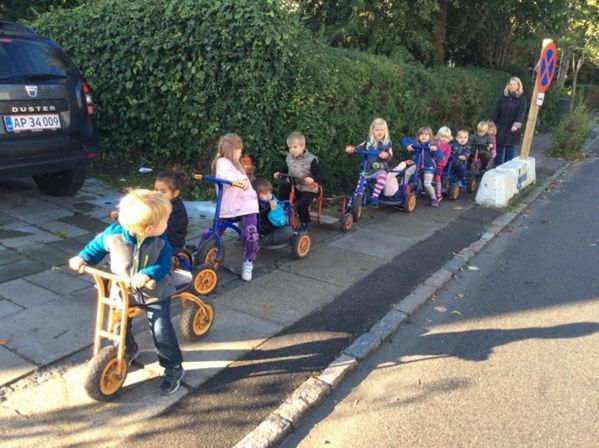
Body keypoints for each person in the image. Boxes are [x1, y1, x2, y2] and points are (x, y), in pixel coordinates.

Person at [69, 189, 185, 395]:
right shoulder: (113, 234)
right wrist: (82, 258)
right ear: (149, 228)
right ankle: (128, 350)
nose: (167, 223)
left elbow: (165, 262)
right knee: (118, 325)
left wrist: (148, 274)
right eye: (165, 220)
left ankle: (173, 366)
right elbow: (95, 247)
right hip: (123, 291)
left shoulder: (160, 240)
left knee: (161, 329)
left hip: (154, 292)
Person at [211, 133, 259, 282]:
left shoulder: (237, 163)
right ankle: (203, 251)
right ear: (232, 150)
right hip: (230, 203)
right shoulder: (223, 162)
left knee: (251, 232)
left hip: (246, 203)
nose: (240, 152)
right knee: (214, 231)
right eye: (239, 149)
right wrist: (240, 180)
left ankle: (248, 261)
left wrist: (244, 180)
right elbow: (224, 177)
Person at [274, 131, 323, 231]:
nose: (292, 150)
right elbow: (285, 170)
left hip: (308, 188)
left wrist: (313, 179)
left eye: (295, 147)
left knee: (302, 204)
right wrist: (279, 174)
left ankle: (305, 222)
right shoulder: (289, 157)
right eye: (290, 148)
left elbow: (320, 175)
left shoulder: (311, 159)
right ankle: (280, 211)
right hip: (294, 186)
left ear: (303, 146)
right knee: (283, 185)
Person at [345, 118, 393, 207]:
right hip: (367, 169)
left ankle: (374, 196)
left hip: (379, 169)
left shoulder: (387, 143)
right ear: (372, 131)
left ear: (385, 131)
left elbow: (390, 154)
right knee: (359, 188)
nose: (379, 132)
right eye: (376, 130)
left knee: (382, 176)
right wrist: (353, 149)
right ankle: (350, 205)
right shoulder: (368, 141)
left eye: (381, 130)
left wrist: (386, 155)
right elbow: (360, 147)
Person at [491, 76, 527, 165]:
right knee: (498, 149)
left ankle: (507, 169)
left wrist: (516, 125)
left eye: (514, 84)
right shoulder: (502, 97)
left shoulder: (521, 99)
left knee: (509, 150)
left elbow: (521, 113)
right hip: (501, 126)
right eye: (510, 84)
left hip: (512, 128)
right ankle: (497, 167)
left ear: (518, 86)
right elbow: (496, 111)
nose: (512, 86)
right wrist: (492, 124)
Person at [402, 126, 439, 207]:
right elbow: (405, 139)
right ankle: (402, 189)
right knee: (407, 173)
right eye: (421, 134)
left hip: (429, 167)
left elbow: (440, 156)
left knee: (427, 184)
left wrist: (435, 150)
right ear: (418, 136)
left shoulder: (432, 145)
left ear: (430, 136)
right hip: (417, 165)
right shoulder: (416, 143)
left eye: (426, 134)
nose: (423, 136)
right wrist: (408, 145)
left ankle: (434, 197)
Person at [154, 169, 188, 253]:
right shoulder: (159, 202)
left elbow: (168, 230)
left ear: (175, 193)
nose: (158, 194)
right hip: (158, 236)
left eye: (163, 191)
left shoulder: (177, 210)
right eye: (156, 190)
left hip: (172, 242)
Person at [253, 177, 291, 245]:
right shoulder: (254, 203)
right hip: (261, 229)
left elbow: (280, 222)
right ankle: (255, 238)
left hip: (275, 228)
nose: (269, 195)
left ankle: (265, 240)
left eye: (270, 192)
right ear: (256, 195)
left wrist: (274, 210)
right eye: (265, 193)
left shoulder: (273, 203)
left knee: (288, 231)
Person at [432, 126, 452, 202]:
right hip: (430, 163)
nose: (444, 139)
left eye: (446, 137)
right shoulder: (434, 143)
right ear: (438, 136)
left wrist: (440, 163)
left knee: (437, 175)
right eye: (442, 137)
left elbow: (445, 158)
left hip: (439, 165)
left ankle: (438, 194)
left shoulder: (448, 147)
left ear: (449, 138)